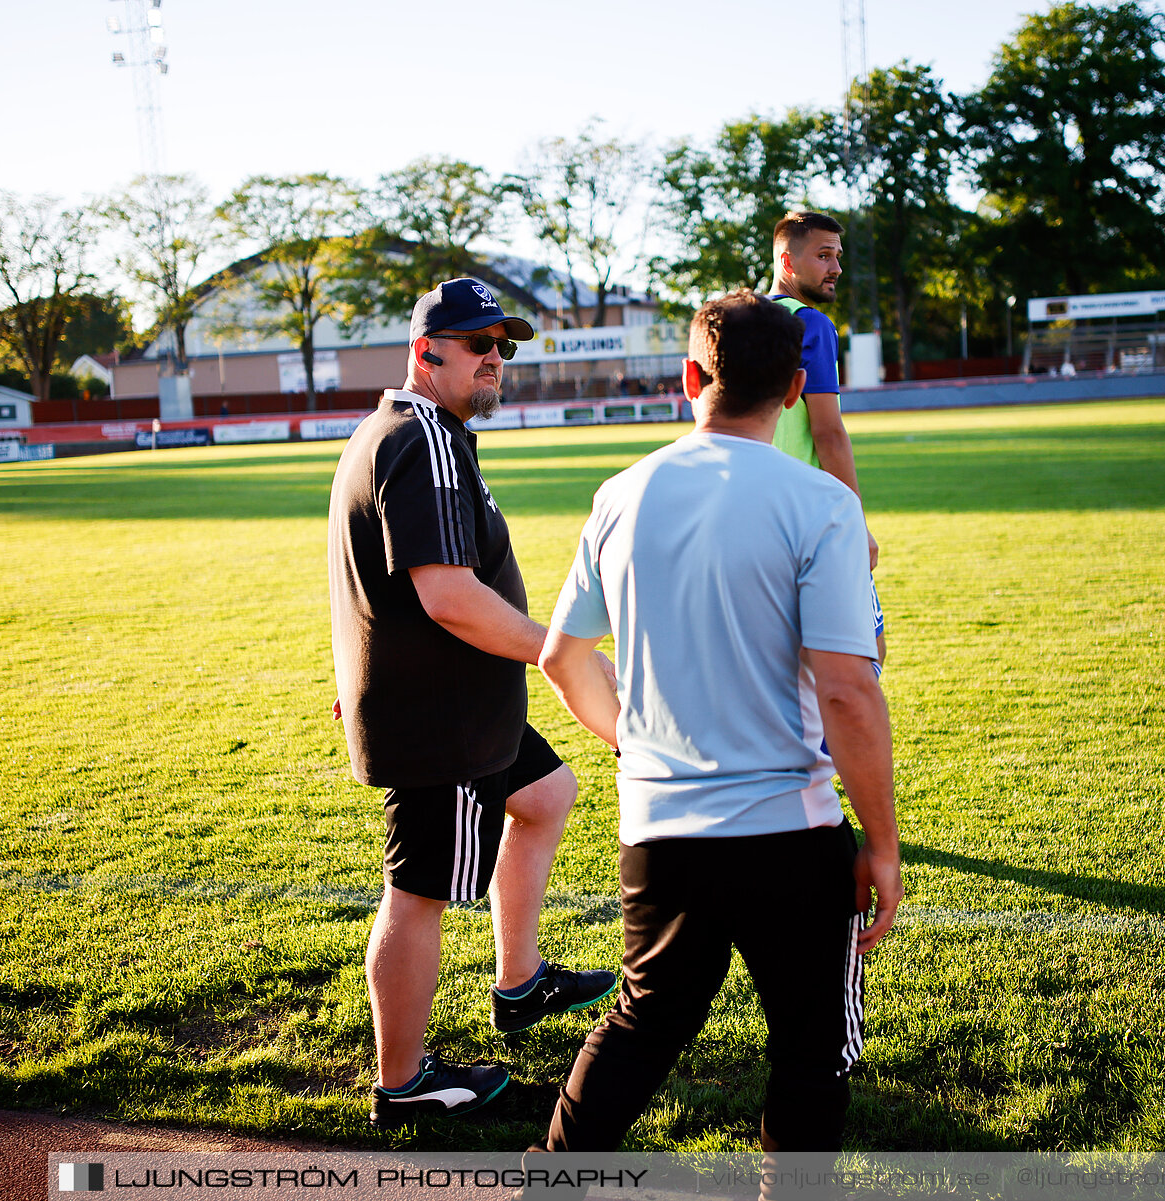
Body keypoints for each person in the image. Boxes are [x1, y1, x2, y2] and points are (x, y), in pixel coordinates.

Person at [534, 290, 901, 1155]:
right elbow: (847, 692)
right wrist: (882, 844)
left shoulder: (621, 493)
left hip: (661, 833)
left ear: (691, 376)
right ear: (796, 385)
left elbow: (561, 658)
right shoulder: (822, 503)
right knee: (811, 1051)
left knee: (640, 1025)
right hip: (790, 831)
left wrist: (634, 739)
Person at [326, 277, 618, 1129]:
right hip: (442, 714)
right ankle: (405, 1082)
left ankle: (519, 982)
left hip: (454, 700)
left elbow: (367, 574)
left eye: (504, 346)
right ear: (427, 352)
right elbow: (449, 596)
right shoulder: (424, 440)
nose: (497, 360)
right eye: (479, 344)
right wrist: (558, 650)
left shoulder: (405, 431)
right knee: (416, 889)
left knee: (547, 793)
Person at [766, 210, 884, 666]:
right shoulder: (810, 325)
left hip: (756, 512)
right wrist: (855, 523)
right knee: (864, 654)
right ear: (787, 261)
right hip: (813, 517)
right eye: (823, 255)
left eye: (838, 256)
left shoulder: (740, 320)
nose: (836, 268)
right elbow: (828, 432)